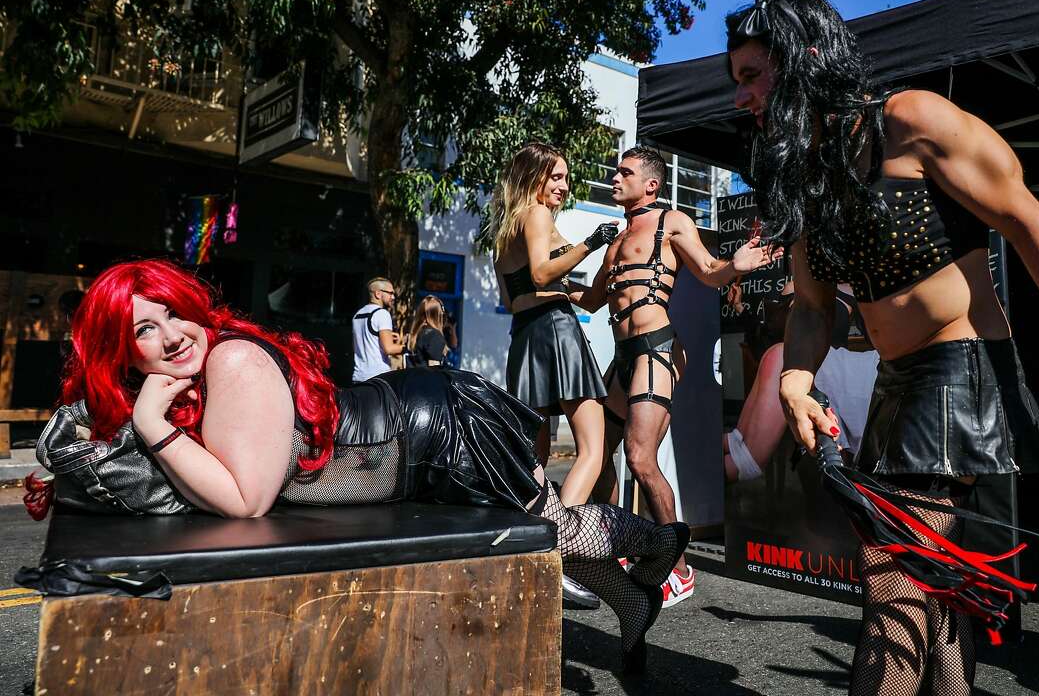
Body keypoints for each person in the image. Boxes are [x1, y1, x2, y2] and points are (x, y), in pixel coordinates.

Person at [725, 0, 1039, 695]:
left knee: (892, 573)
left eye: (753, 76)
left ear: (804, 57)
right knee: (936, 578)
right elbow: (810, 308)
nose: (743, 97)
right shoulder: (804, 177)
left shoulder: (910, 119)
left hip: (960, 366)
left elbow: (1035, 227)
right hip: (900, 383)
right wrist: (795, 380)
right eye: (737, 81)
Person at [32, 259, 689, 673]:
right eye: (144, 330)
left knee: (554, 526)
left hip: (441, 429)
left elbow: (245, 501)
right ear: (123, 350)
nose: (170, 333)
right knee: (550, 534)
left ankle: (660, 542)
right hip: (409, 440)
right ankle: (632, 598)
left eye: (171, 311)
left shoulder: (230, 361)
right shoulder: (189, 378)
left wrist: (149, 424)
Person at [575, 145, 781, 607]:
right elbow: (590, 301)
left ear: (651, 183)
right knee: (598, 449)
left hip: (657, 349)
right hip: (624, 355)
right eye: (615, 171)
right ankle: (623, 543)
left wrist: (735, 267)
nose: (614, 178)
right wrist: (543, 289)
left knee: (640, 458)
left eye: (624, 172)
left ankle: (680, 569)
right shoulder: (616, 237)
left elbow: (708, 272)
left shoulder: (673, 221)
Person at [492, 142, 618, 608]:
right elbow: (546, 275)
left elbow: (526, 296)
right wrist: (593, 241)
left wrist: (602, 270)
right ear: (535, 177)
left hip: (525, 337)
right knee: (593, 447)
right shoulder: (537, 215)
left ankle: (526, 548)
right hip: (557, 334)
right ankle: (557, 553)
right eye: (557, 177)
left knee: (535, 457)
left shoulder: (504, 231)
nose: (564, 186)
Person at [724, 284, 878, 482]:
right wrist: (739, 307)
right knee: (737, 441)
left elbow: (878, 339)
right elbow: (766, 336)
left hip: (829, 371)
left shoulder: (852, 289)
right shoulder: (794, 285)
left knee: (779, 355)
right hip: (787, 366)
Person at [351, 277, 405, 383]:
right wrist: (408, 347)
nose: (393, 297)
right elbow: (388, 349)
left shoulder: (357, 315)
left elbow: (356, 347)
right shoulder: (382, 313)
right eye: (390, 293)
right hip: (378, 377)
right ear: (378, 294)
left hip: (358, 376)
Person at [406, 295, 450, 367]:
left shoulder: (414, 334)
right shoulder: (434, 336)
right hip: (427, 377)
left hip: (412, 376)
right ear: (438, 315)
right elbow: (434, 370)